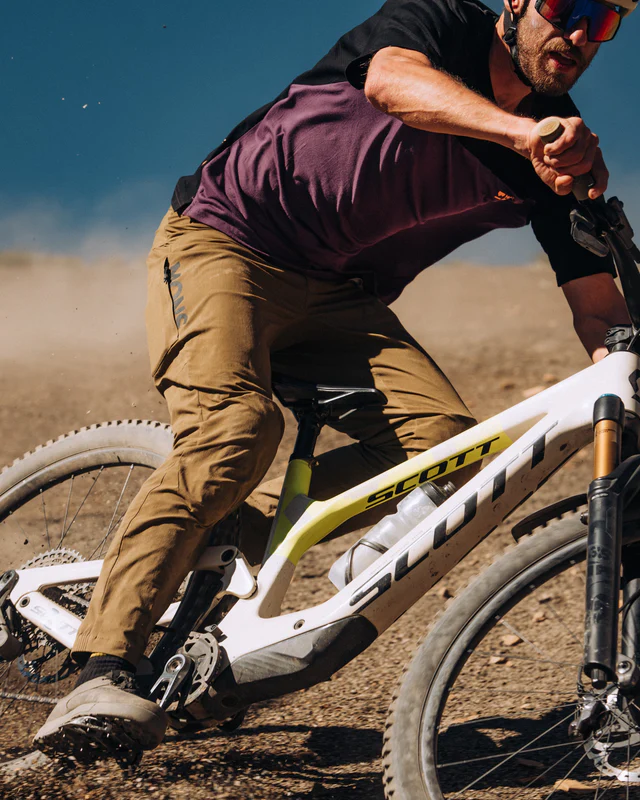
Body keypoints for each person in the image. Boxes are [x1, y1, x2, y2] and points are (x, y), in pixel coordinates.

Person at [35, 0, 636, 759]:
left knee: (455, 449)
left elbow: (599, 311)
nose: (578, 34)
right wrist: (520, 134)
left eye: (603, 21)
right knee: (235, 433)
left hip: (341, 299)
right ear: (516, 2)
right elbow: (390, 83)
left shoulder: (559, 150)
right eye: (564, 7)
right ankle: (102, 670)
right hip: (226, 241)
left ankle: (247, 546)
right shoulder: (441, 24)